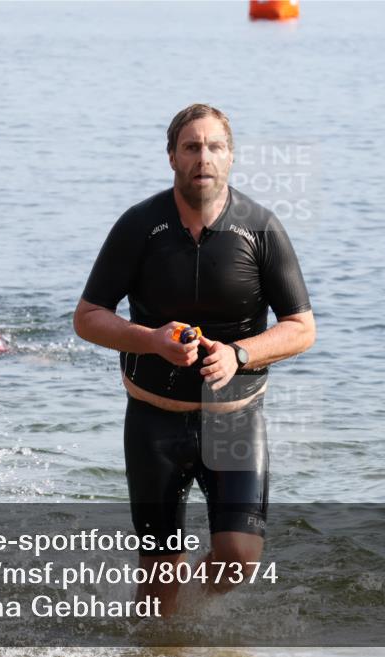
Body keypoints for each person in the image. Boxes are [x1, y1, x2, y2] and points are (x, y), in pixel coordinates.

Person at [73, 103, 315, 615]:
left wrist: (239, 354)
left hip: (233, 422)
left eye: (214, 146)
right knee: (159, 576)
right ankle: (159, 642)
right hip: (154, 422)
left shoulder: (262, 228)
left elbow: (301, 328)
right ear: (171, 157)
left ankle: (191, 612)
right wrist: (151, 339)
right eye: (191, 146)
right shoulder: (139, 226)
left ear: (231, 157)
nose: (203, 156)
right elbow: (88, 316)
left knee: (239, 557)